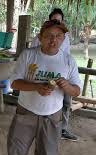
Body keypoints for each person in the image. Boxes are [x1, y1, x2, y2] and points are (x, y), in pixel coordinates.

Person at [5, 20, 81, 155]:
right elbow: (14, 83)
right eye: (49, 36)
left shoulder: (68, 60)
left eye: (58, 36)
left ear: (63, 38)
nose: (53, 40)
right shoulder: (28, 55)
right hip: (25, 114)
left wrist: (67, 86)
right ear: (40, 37)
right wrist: (36, 87)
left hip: (53, 117)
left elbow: (77, 91)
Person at [31, 8, 78, 141]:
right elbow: (33, 54)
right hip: (44, 75)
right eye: (54, 20)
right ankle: (38, 127)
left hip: (63, 77)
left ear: (62, 22)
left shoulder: (66, 37)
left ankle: (62, 129)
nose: (56, 22)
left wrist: (67, 77)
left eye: (59, 20)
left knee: (66, 102)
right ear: (49, 20)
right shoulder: (39, 37)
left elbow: (67, 55)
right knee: (45, 99)